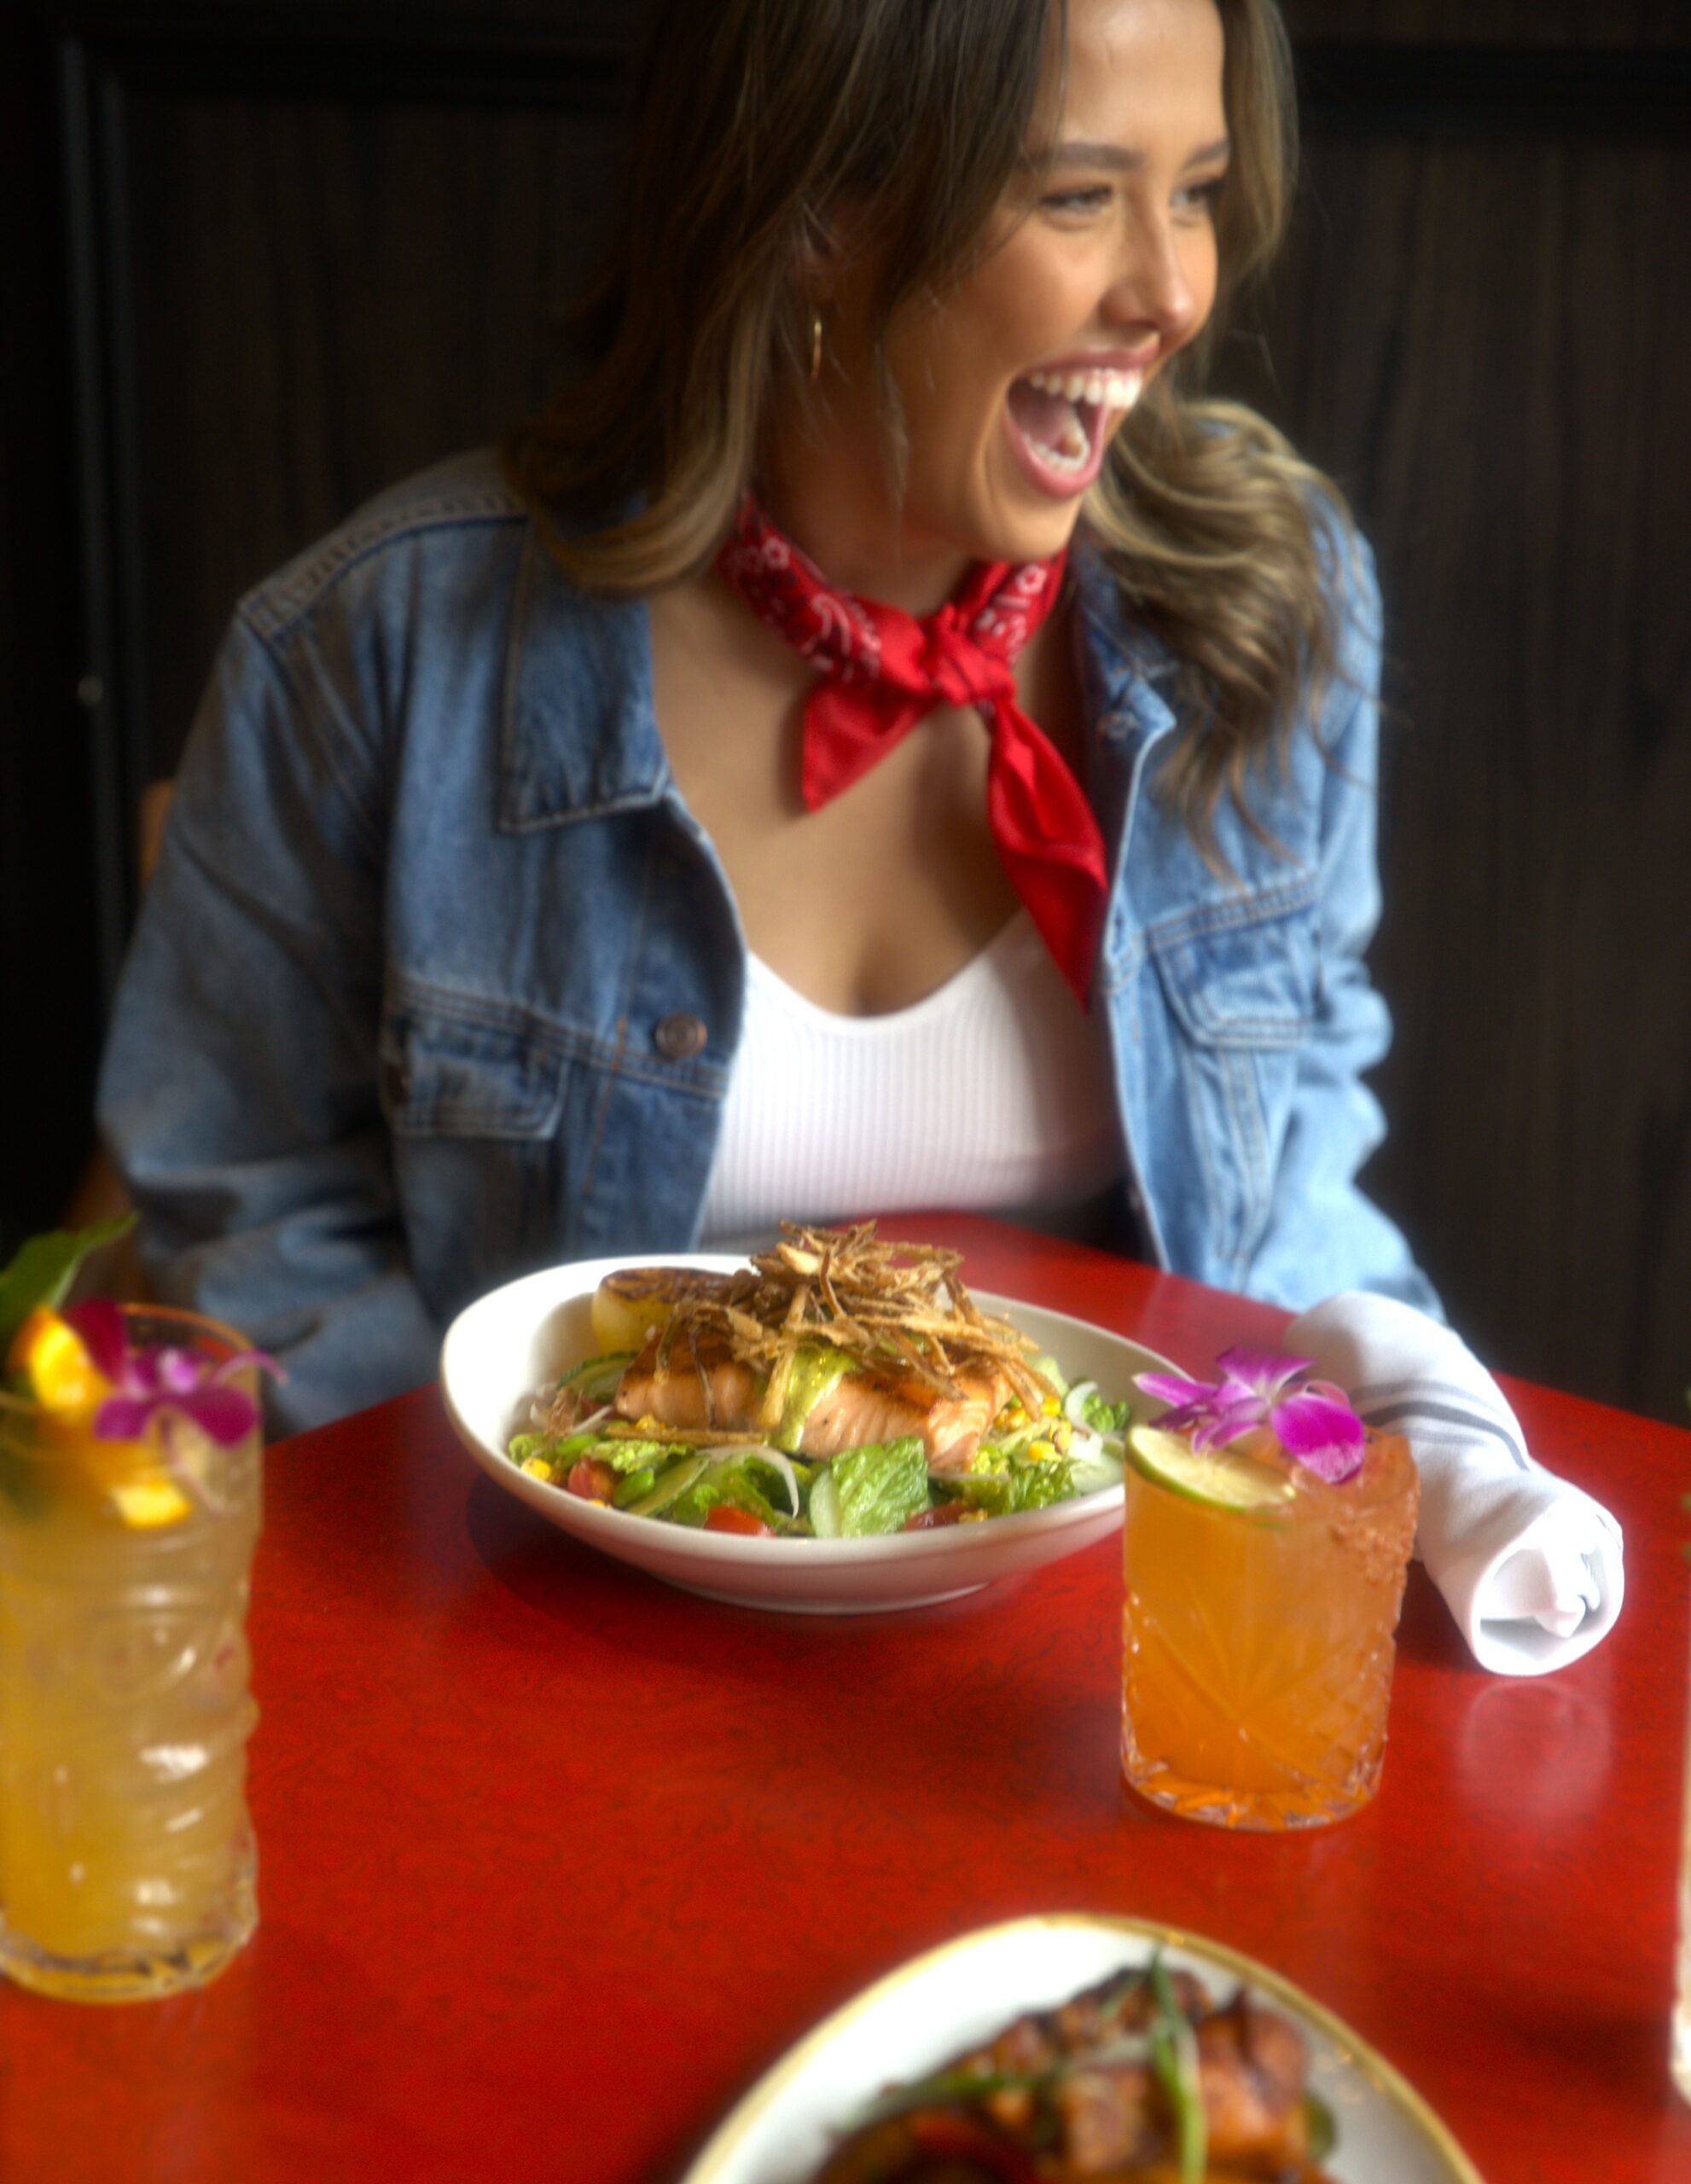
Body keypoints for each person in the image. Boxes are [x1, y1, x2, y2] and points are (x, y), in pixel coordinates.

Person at [97, 0, 1440, 1433]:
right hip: (555, 1602)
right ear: (809, 210)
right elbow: (248, 1207)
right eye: (1077, 196)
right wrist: (510, 1526)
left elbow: (1299, 1147)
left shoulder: (1271, 603)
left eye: (1194, 194)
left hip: (1101, 1596)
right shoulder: (367, 653)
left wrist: (1437, 1458)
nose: (1171, 291)